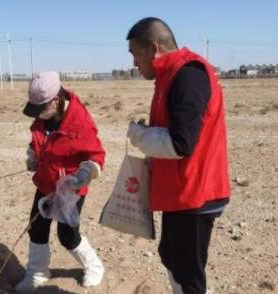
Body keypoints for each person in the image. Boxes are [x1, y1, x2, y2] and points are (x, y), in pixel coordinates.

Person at [125, 18, 231, 294]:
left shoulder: (188, 74)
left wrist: (140, 137)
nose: (135, 64)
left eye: (136, 55)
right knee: (170, 256)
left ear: (153, 47)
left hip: (197, 193)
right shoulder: (168, 75)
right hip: (180, 191)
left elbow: (180, 143)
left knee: (188, 275)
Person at [16, 71, 106, 292]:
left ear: (55, 101)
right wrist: (33, 156)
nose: (38, 115)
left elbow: (96, 155)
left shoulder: (80, 123)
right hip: (46, 182)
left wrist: (85, 174)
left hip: (70, 188)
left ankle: (94, 266)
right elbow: (36, 142)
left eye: (41, 109)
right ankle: (37, 273)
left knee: (67, 235)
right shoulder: (43, 117)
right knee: (36, 228)